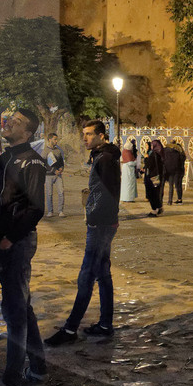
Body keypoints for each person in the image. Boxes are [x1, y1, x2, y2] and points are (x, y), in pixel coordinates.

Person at [0, 106, 48, 386]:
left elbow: (36, 208)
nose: (8, 123)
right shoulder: (6, 158)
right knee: (21, 306)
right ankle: (39, 366)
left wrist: (9, 238)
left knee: (15, 311)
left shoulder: (33, 162)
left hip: (16, 243)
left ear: (28, 132)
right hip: (4, 238)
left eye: (16, 122)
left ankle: (12, 378)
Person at [46, 119, 121, 347]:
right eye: (84, 134)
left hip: (100, 225)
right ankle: (105, 324)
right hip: (105, 223)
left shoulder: (105, 159)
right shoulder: (102, 156)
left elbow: (106, 193)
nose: (85, 138)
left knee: (86, 276)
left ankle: (70, 329)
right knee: (103, 275)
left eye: (89, 134)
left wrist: (92, 215)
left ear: (101, 135)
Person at [42, 133, 67, 218]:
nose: (56, 141)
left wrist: (61, 168)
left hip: (58, 176)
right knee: (49, 194)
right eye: (55, 139)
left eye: (56, 139)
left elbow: (61, 162)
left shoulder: (58, 151)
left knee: (61, 192)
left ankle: (60, 211)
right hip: (48, 175)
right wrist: (53, 170)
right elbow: (44, 164)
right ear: (50, 140)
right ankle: (50, 211)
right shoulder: (45, 151)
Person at [143, 139, 165, 216]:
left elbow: (149, 165)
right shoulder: (160, 153)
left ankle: (154, 210)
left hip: (152, 176)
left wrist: (146, 158)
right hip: (158, 175)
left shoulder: (154, 154)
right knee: (156, 192)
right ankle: (159, 207)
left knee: (151, 193)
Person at [162, 140, 185, 206]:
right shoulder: (178, 152)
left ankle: (163, 200)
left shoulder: (165, 151)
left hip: (167, 170)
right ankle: (171, 200)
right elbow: (181, 161)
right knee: (174, 186)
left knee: (165, 186)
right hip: (176, 170)